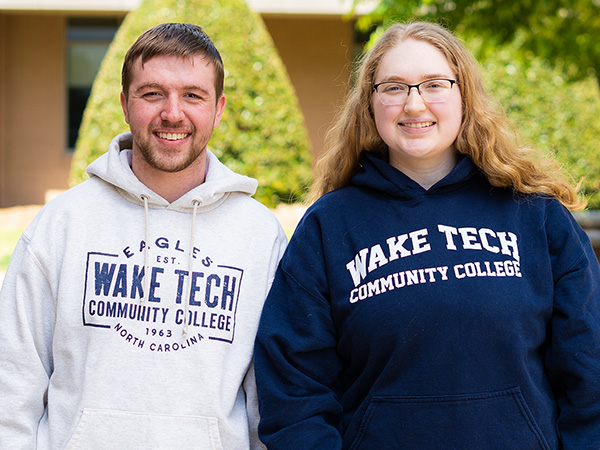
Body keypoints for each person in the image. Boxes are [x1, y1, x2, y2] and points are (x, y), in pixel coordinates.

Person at [254, 21, 600, 449]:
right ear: (370, 103)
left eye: (434, 84)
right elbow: (294, 390)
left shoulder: (536, 216)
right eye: (394, 87)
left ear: (464, 96)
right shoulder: (329, 228)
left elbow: (590, 373)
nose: (414, 105)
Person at [0, 22, 286, 449]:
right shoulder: (63, 224)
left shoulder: (260, 237)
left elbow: (271, 402)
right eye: (152, 93)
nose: (173, 112)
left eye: (193, 95)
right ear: (125, 103)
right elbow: (12, 382)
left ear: (219, 108)